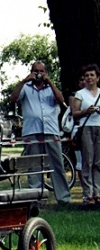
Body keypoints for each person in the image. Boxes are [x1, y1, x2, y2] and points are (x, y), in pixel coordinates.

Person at [10, 60, 71, 204]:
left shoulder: (51, 88)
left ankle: (63, 198)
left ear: (46, 73)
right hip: (31, 131)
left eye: (41, 71)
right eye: (35, 71)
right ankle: (36, 198)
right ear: (31, 72)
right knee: (34, 165)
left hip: (51, 130)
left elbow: (61, 101)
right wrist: (24, 81)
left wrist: (50, 82)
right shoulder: (26, 87)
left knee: (57, 164)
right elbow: (13, 99)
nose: (38, 74)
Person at [71, 64, 100, 205]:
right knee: (87, 160)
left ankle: (97, 192)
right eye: (87, 75)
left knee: (98, 162)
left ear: (97, 78)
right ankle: (87, 194)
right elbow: (74, 113)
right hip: (86, 127)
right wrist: (85, 111)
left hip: (99, 127)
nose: (89, 78)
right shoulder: (80, 94)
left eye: (92, 75)